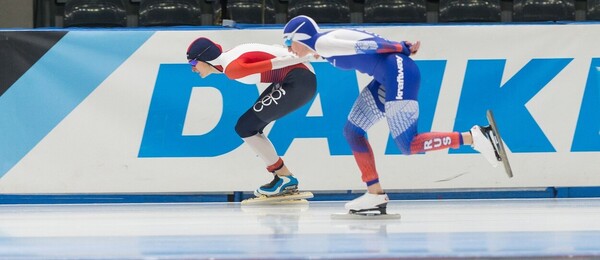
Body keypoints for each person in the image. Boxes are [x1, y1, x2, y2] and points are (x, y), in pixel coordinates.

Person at [282, 15, 501, 214]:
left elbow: (367, 45)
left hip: (398, 73)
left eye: (289, 42)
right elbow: (367, 41)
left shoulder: (323, 42)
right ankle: (374, 194)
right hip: (390, 75)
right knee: (352, 131)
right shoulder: (324, 45)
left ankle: (475, 136)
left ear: (300, 36)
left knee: (409, 144)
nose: (289, 48)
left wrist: (400, 47)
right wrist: (400, 46)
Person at [186, 37, 317, 197]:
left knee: (246, 127)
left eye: (193, 63)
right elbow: (273, 53)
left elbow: (276, 62)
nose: (192, 69)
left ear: (205, 59)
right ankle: (283, 177)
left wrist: (310, 54)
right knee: (247, 126)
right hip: (295, 78)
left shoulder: (232, 68)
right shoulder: (228, 60)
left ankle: (285, 178)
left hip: (300, 80)